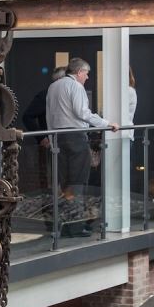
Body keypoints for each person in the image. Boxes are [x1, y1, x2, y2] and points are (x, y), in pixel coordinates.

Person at [46, 58, 118, 237]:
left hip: (58, 138)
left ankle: (60, 226)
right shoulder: (76, 87)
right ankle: (75, 227)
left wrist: (50, 136)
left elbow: (49, 115)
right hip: (76, 138)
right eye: (86, 73)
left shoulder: (53, 86)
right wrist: (106, 124)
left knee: (64, 183)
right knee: (78, 183)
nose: (87, 77)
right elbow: (82, 112)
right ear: (78, 72)